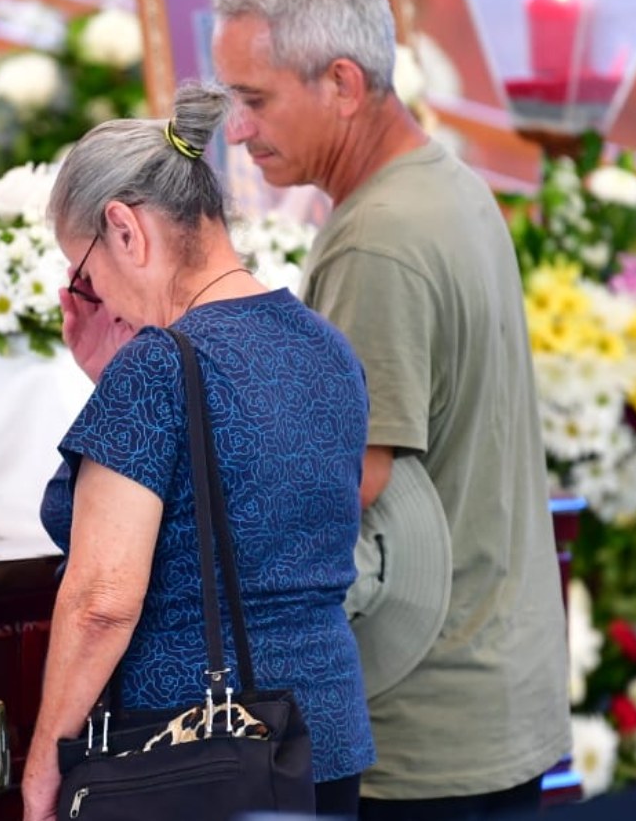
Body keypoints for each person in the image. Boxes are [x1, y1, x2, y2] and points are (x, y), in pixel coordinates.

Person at [210, 0, 571, 821]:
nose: (238, 128)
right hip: (493, 689)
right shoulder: (448, 185)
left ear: (341, 83)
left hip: (420, 723)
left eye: (255, 99)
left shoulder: (379, 239)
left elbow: (346, 486)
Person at [20, 81, 376, 820]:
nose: (91, 297)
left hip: (190, 760)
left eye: (83, 274)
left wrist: (43, 767)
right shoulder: (326, 348)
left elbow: (100, 606)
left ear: (125, 229)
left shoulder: (158, 369)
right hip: (325, 744)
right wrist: (112, 376)